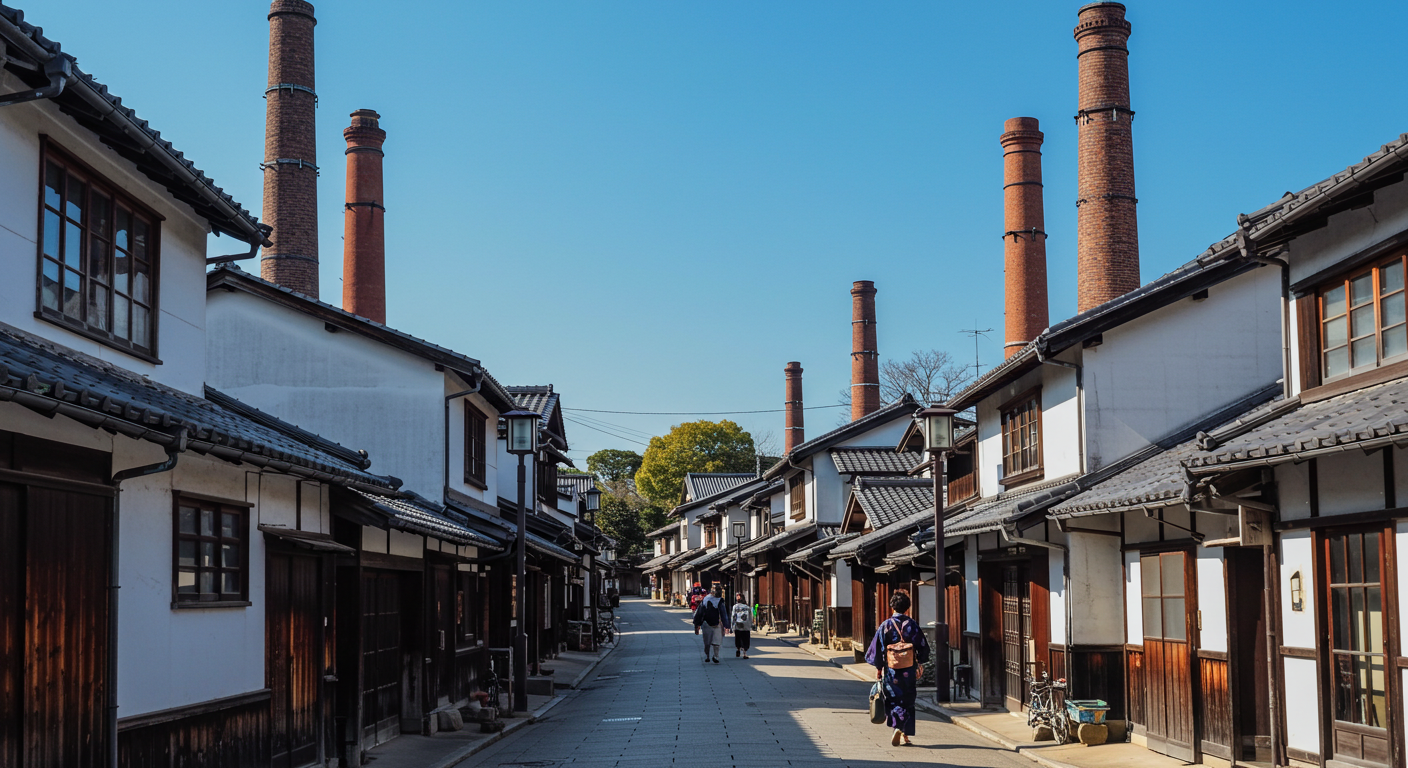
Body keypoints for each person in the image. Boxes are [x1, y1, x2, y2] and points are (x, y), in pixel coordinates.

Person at [865, 591, 931, 746]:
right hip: (908, 670)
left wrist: (879, 667)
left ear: (892, 607)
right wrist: (920, 661)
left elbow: (877, 648)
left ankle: (897, 726)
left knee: (894, 699)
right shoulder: (912, 625)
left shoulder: (885, 625)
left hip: (891, 670)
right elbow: (922, 646)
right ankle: (905, 734)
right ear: (907, 608)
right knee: (908, 700)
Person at [692, 584, 731, 663]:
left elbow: (699, 613)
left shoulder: (713, 600)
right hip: (712, 623)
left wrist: (697, 624)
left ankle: (714, 656)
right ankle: (710, 656)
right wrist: (727, 625)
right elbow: (723, 614)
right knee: (711, 642)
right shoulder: (709, 600)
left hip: (712, 624)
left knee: (712, 641)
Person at [730, 593, 753, 659]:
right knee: (745, 640)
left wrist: (732, 626)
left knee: (738, 638)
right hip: (746, 625)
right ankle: (745, 653)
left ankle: (738, 649)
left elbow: (733, 616)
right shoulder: (747, 607)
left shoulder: (735, 607)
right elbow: (750, 617)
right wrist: (750, 625)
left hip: (738, 625)